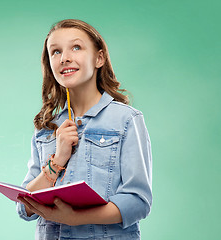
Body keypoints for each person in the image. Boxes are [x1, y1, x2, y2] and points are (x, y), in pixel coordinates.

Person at [16, 19, 152, 240]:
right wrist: (58, 160)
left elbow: (138, 201)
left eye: (76, 47)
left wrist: (76, 218)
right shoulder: (45, 128)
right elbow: (25, 207)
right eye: (56, 52)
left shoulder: (126, 120)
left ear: (99, 58)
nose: (65, 58)